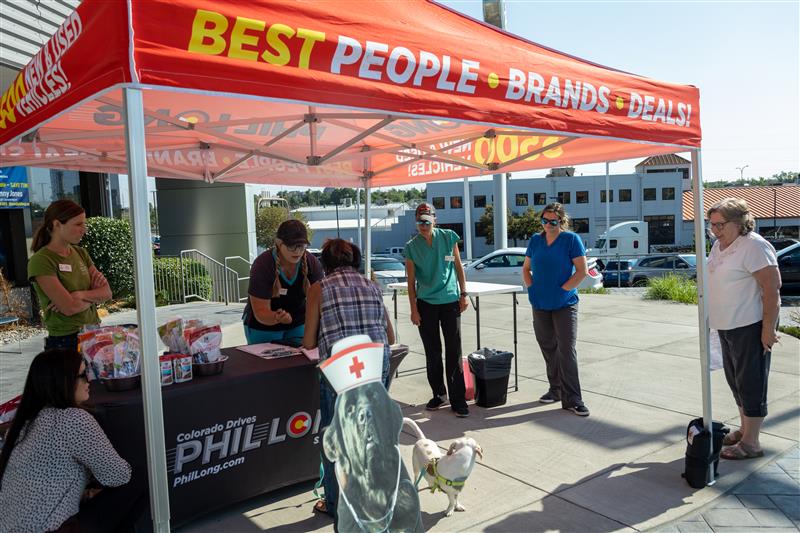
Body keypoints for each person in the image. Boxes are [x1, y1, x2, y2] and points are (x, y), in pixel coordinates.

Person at [303, 238, 395, 518]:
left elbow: (308, 342)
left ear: (325, 263)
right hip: (376, 366)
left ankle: (335, 504)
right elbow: (391, 336)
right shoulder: (372, 286)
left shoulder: (319, 288)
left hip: (341, 371)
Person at [0, 349, 134, 532]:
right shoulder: (71, 419)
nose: (89, 380)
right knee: (139, 478)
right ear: (62, 381)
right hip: (49, 529)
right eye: (82, 375)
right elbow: (118, 476)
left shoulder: (22, 425)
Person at [707, 198, 781, 460]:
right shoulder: (719, 245)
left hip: (749, 325)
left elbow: (771, 289)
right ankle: (745, 430)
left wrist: (768, 329)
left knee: (751, 383)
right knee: (736, 382)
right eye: (712, 225)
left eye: (720, 224)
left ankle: (752, 443)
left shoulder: (754, 246)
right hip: (726, 325)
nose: (715, 230)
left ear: (739, 222)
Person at [522, 203, 590, 416]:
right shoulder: (535, 240)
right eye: (545, 220)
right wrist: (531, 289)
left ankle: (574, 399)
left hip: (565, 304)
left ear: (561, 221)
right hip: (540, 304)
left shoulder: (571, 240)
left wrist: (563, 290)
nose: (548, 224)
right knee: (548, 347)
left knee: (566, 350)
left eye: (553, 221)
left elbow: (582, 271)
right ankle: (556, 390)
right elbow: (526, 269)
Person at [404, 202, 470, 418]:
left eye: (426, 221)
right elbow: (411, 282)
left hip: (450, 300)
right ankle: (439, 394)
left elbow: (458, 267)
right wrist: (414, 309)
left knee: (454, 350)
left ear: (434, 219)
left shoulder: (448, 237)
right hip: (426, 303)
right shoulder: (412, 247)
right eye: (419, 221)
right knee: (433, 352)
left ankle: (458, 399)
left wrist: (464, 293)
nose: (423, 225)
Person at [27, 199, 111, 351]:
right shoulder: (41, 260)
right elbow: (69, 308)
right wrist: (93, 296)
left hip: (94, 332)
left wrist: (79, 295)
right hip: (66, 340)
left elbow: (107, 293)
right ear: (57, 224)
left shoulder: (80, 253)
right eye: (78, 224)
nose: (84, 230)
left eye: (84, 224)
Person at [243, 219, 323, 344]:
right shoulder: (263, 265)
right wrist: (277, 317)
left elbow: (320, 301)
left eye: (301, 246)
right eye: (291, 246)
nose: (297, 251)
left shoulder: (312, 263)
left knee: (302, 357)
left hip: (298, 324)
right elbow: (260, 311)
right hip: (262, 328)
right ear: (279, 243)